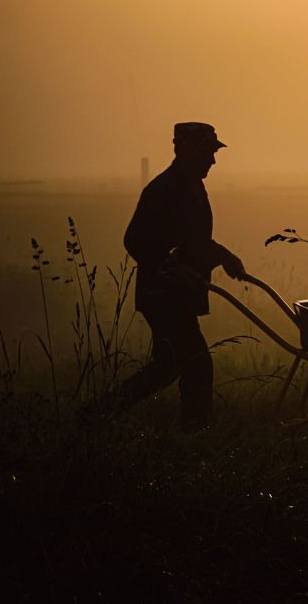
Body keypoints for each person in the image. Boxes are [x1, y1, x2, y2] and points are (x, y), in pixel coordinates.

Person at [109, 122, 246, 431]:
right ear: (187, 151)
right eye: (209, 152)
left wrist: (224, 257)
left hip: (178, 295)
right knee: (196, 365)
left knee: (168, 366)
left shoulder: (193, 187)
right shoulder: (163, 191)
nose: (213, 160)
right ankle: (195, 432)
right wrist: (172, 268)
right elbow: (135, 241)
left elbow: (193, 241)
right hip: (162, 295)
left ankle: (98, 414)